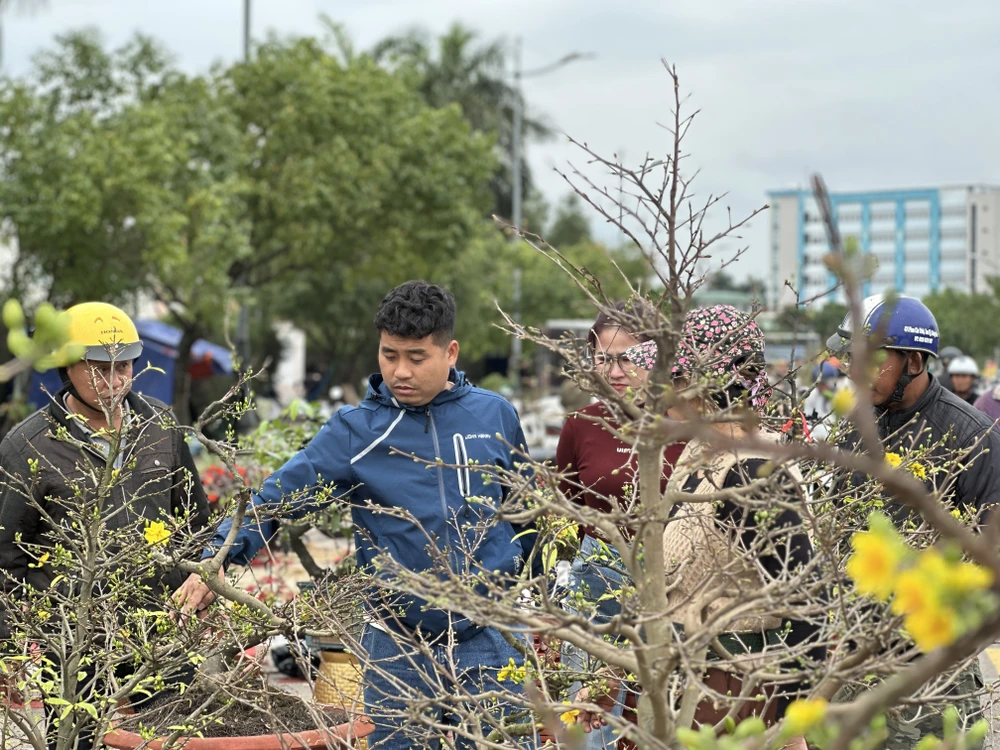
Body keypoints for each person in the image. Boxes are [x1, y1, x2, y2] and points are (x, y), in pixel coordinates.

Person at [173, 281, 539, 749]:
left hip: (491, 637)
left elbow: (526, 513)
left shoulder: (494, 416)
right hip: (399, 647)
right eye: (389, 355)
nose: (400, 371)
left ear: (450, 352)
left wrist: (533, 597)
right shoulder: (356, 432)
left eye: (416, 357)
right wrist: (216, 558)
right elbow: (273, 499)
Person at [570, 306, 818, 747]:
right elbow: (668, 592)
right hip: (680, 689)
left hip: (733, 698)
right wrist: (612, 676)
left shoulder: (753, 474)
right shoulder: (699, 454)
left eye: (674, 377)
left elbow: (809, 605)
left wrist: (789, 723)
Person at [0, 302, 209, 750]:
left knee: (176, 735)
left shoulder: (160, 426)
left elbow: (195, 521)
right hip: (73, 633)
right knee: (74, 739)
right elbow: (7, 556)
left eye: (125, 366)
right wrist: (8, 646)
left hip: (158, 621)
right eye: (99, 369)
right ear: (67, 366)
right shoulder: (28, 446)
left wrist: (203, 577)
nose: (115, 381)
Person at [827, 295, 1000, 747]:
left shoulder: (972, 436)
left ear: (915, 361)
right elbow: (837, 529)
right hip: (855, 652)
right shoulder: (854, 424)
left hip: (933, 667)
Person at [555, 302, 686, 749]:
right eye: (602, 359)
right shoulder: (580, 425)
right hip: (599, 575)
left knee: (663, 715)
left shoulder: (685, 427)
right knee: (589, 715)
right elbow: (570, 511)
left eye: (627, 358)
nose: (613, 372)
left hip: (673, 578)